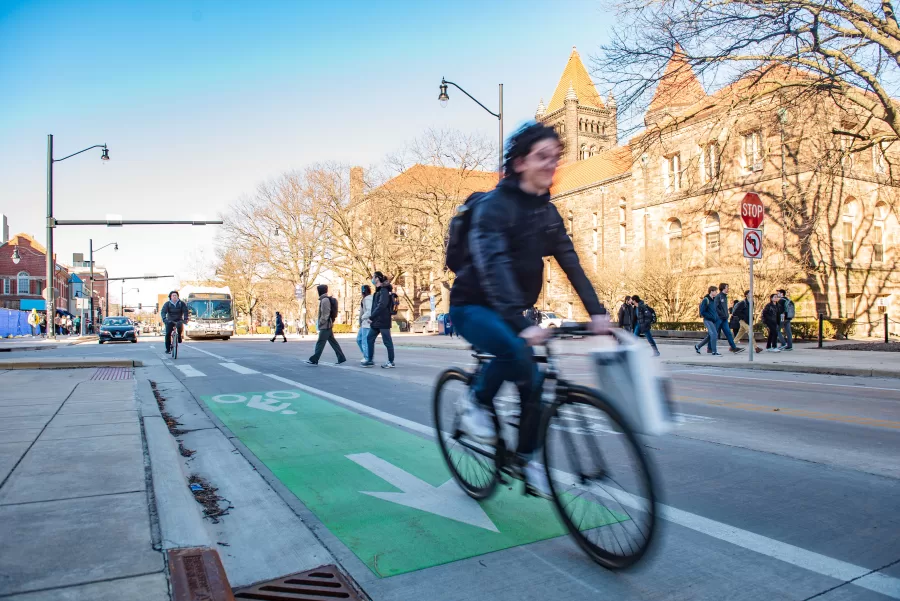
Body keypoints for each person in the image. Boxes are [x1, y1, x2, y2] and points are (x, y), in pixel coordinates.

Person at [448, 121, 610, 499]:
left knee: (535, 382)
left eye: (556, 157)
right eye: (542, 157)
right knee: (515, 348)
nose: (551, 164)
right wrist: (519, 322)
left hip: (513, 307)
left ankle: (526, 458)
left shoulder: (546, 213)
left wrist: (597, 312)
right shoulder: (493, 207)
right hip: (473, 304)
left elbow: (570, 262)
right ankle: (475, 400)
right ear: (520, 162)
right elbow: (493, 266)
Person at [306, 285, 346, 365]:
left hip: (326, 325)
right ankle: (341, 358)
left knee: (320, 342)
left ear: (320, 291)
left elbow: (325, 314)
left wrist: (320, 322)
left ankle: (315, 359)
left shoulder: (325, 300)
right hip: (327, 325)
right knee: (333, 342)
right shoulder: (324, 300)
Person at [364, 272, 396, 368]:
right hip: (377, 321)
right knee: (369, 338)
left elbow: (382, 305)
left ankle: (391, 361)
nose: (372, 279)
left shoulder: (384, 290)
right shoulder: (378, 291)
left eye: (373, 277)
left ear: (377, 278)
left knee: (387, 341)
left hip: (383, 320)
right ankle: (370, 360)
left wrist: (371, 317)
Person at [695, 286, 723, 356]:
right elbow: (702, 311)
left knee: (710, 336)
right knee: (714, 334)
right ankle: (714, 351)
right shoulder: (706, 300)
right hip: (708, 320)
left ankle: (698, 346)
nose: (717, 293)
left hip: (713, 320)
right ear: (712, 291)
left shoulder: (714, 300)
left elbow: (714, 311)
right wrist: (710, 316)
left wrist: (716, 318)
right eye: (716, 291)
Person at [357, 285, 373, 362]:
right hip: (363, 323)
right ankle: (367, 356)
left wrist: (363, 317)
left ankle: (368, 358)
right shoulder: (364, 299)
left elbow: (369, 311)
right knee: (359, 340)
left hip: (367, 323)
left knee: (364, 341)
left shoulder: (368, 299)